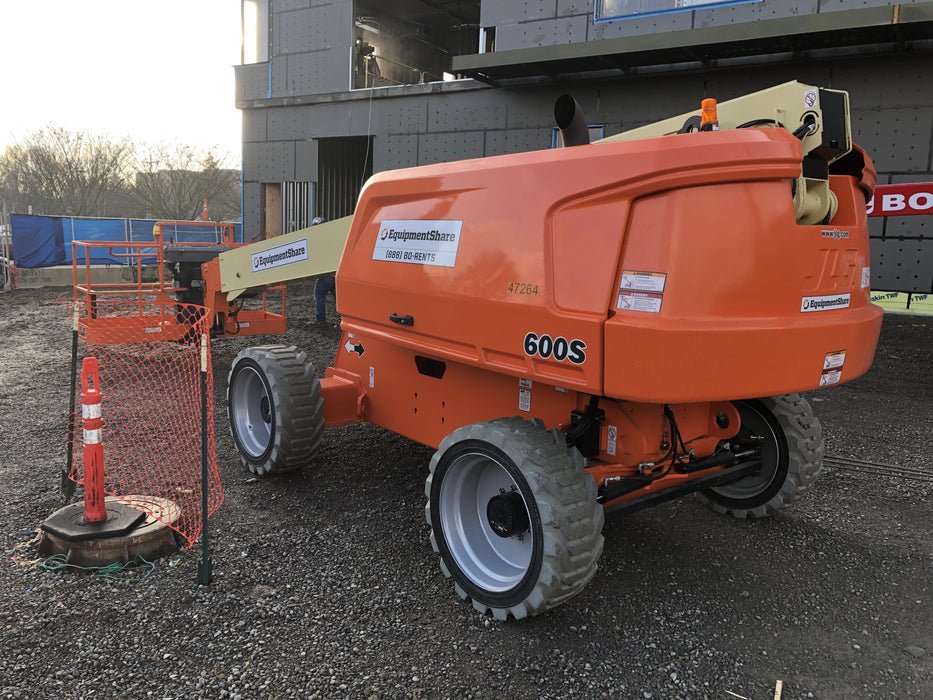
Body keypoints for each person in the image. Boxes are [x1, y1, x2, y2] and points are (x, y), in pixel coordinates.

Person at [308, 217, 337, 327]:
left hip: (325, 275)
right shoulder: (332, 238)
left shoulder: (316, 241)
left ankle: (320, 319)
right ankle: (342, 320)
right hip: (335, 273)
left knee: (319, 295)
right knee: (338, 299)